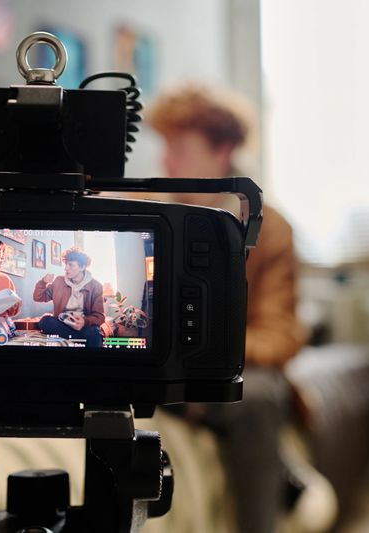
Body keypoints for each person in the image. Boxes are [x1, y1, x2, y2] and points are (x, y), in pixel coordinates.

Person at [146, 84, 307, 533]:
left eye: (178, 148)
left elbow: (280, 335)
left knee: (254, 397)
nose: (165, 162)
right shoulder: (149, 215)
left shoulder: (269, 230)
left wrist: (203, 351)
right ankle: (284, 472)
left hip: (231, 369)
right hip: (158, 370)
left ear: (222, 151)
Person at [33, 248, 105, 348]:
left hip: (83, 326)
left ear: (82, 267)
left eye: (70, 265)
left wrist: (85, 321)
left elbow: (100, 316)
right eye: (66, 264)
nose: (66, 268)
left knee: (95, 332)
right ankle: (79, 339)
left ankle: (76, 338)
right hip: (63, 324)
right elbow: (38, 297)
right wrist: (43, 282)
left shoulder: (96, 286)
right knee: (45, 321)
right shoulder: (59, 281)